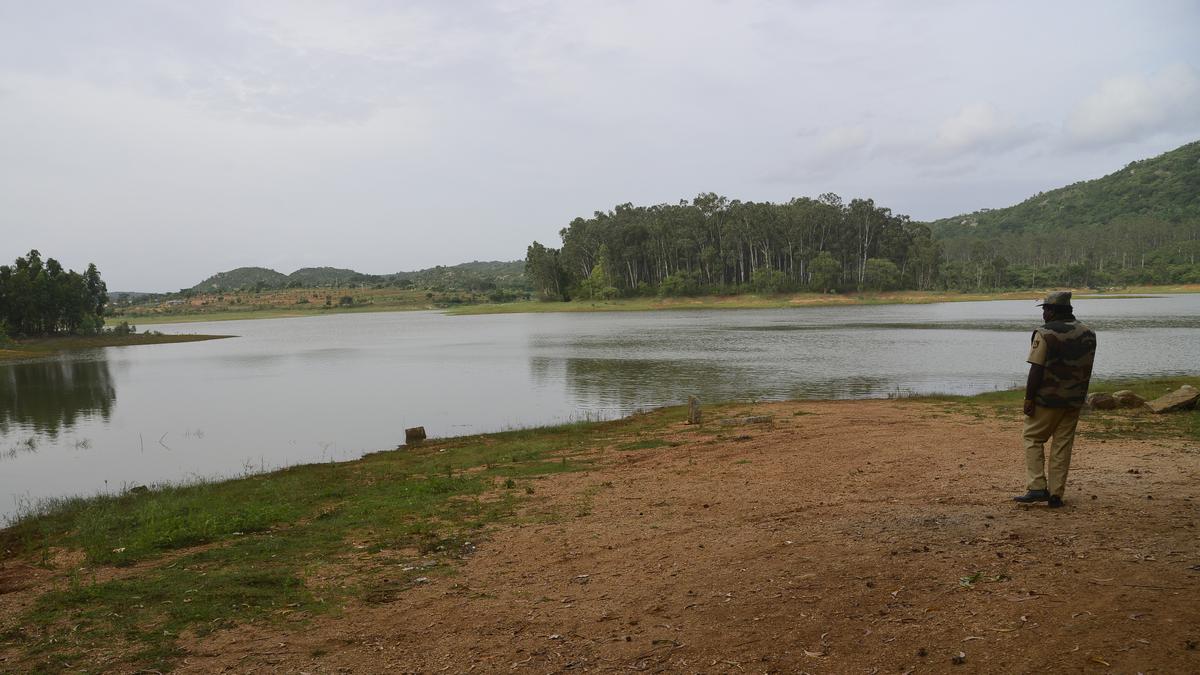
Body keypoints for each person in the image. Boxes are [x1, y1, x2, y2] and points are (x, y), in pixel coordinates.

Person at [1013, 291, 1097, 508]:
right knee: (1062, 445)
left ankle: (1037, 487)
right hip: (1074, 400)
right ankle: (1056, 494)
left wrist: (1029, 398)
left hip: (1047, 400)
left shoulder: (1045, 333)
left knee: (1032, 438)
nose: (1043, 314)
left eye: (1045, 310)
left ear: (1052, 311)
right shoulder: (1088, 332)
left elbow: (1036, 369)